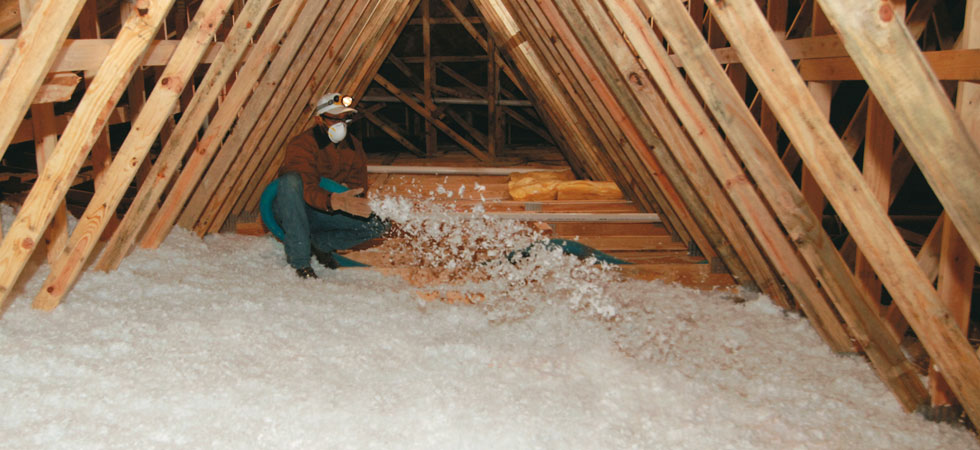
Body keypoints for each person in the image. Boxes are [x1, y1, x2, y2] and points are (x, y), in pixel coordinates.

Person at [272, 92, 387, 279]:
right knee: (290, 180)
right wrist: (333, 200)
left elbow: (357, 185)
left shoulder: (353, 146)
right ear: (319, 120)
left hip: (324, 211)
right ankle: (300, 262)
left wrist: (352, 202)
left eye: (345, 119)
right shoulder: (302, 144)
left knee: (379, 224)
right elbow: (305, 186)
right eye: (335, 119)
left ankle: (320, 244)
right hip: (295, 207)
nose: (341, 125)